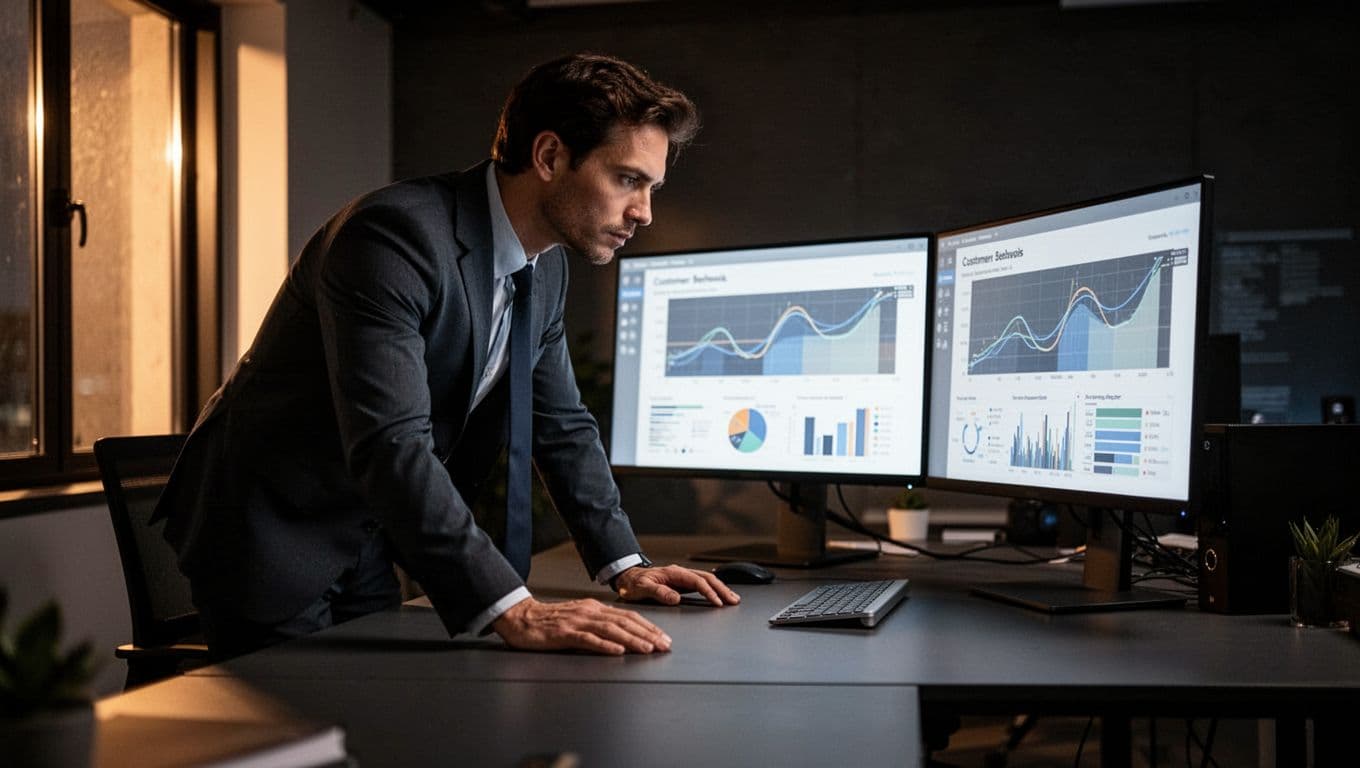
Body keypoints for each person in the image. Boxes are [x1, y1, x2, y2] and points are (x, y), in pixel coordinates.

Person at [155, 53, 739, 659]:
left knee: (383, 725)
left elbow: (561, 425)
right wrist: (514, 608)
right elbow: (391, 441)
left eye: (651, 187)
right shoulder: (392, 237)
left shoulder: (547, 268)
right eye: (628, 179)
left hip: (365, 528)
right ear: (549, 157)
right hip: (267, 531)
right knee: (303, 740)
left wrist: (626, 565)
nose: (644, 211)